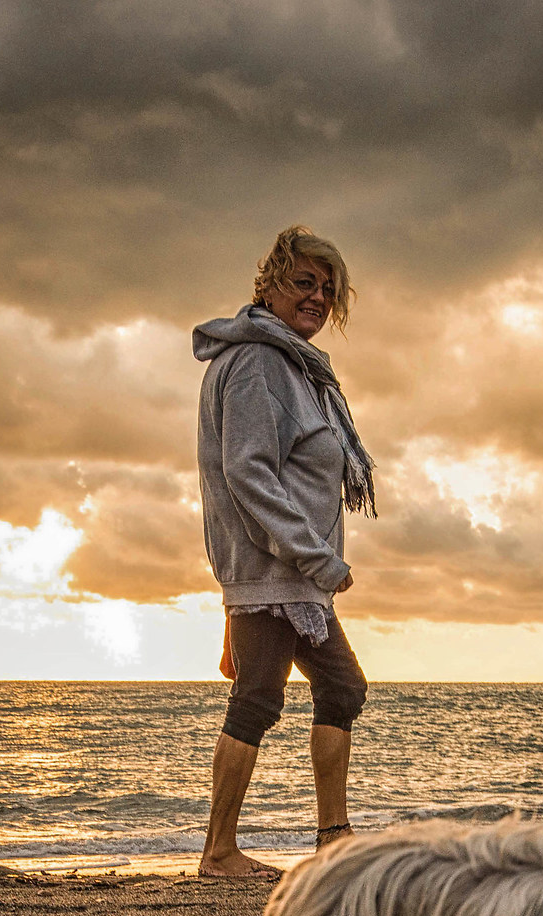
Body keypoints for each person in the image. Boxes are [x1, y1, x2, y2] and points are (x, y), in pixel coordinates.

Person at [192, 226, 377, 878]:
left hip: (288, 579)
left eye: (328, 289)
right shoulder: (259, 363)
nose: (319, 297)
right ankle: (219, 852)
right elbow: (245, 474)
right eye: (305, 282)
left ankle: (333, 840)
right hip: (279, 571)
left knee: (342, 688)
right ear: (268, 283)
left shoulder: (293, 366)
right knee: (259, 700)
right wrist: (313, 555)